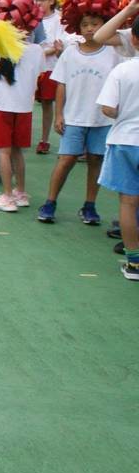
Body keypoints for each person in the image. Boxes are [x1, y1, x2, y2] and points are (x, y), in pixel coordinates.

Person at [35, 9, 120, 225]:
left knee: (96, 160)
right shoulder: (71, 53)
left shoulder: (114, 52)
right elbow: (61, 85)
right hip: (74, 117)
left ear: (105, 24)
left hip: (102, 120)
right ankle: (50, 202)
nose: (90, 28)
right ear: (78, 27)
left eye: (95, 23)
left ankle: (89, 206)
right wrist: (59, 115)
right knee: (66, 159)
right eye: (85, 24)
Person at [0, 16, 44, 213]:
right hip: (24, 107)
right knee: (17, 152)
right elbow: (39, 75)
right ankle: (20, 193)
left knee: (3, 152)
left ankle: (7, 196)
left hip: (2, 105)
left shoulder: (0, 47)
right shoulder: (37, 49)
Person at [96, 14, 139, 280]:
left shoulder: (122, 70)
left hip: (125, 141)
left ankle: (134, 262)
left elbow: (108, 108)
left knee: (128, 202)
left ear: (133, 39)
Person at [34, 0, 64, 155]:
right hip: (34, 68)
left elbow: (57, 45)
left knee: (47, 103)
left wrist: (36, 55)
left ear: (52, 1)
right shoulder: (32, 18)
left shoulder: (59, 20)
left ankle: (44, 140)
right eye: (37, 0)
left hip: (50, 67)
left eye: (43, 0)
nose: (39, 3)